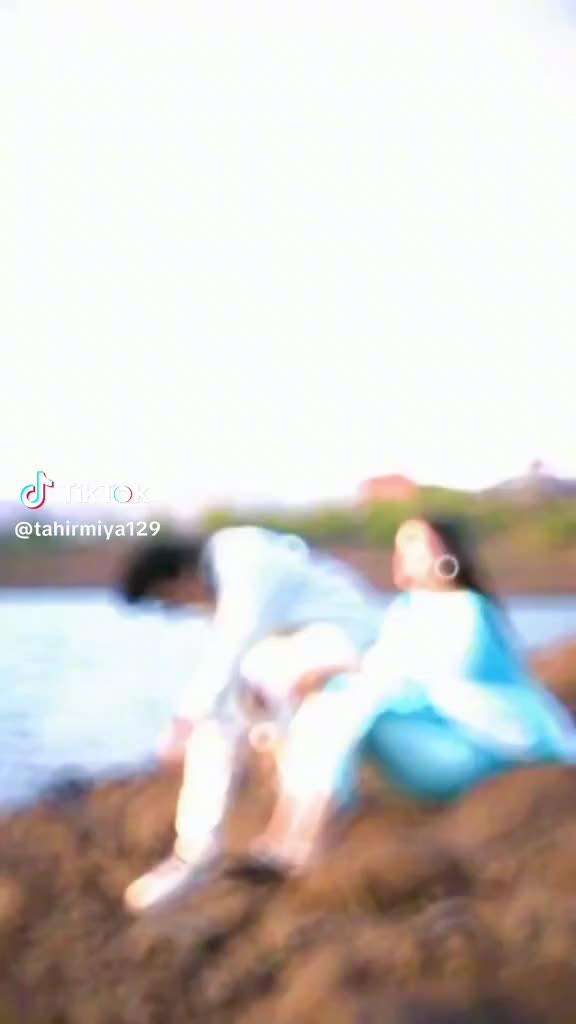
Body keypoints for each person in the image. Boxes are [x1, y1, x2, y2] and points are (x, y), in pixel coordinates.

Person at [249, 516, 576, 874]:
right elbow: (380, 673)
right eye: (399, 545)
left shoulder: (469, 610)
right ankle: (284, 836)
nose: (402, 553)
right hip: (422, 745)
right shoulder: (404, 611)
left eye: (414, 542)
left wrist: (353, 678)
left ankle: (307, 841)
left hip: (474, 748)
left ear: (446, 553)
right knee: (330, 702)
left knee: (350, 701)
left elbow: (439, 681)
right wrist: (334, 677)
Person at [118, 526, 383, 911]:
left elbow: (232, 645)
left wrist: (184, 720)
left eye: (169, 601)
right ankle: (196, 853)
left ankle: (205, 854)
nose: (178, 609)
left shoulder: (245, 562)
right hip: (306, 646)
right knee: (228, 714)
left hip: (349, 644)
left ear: (177, 578)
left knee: (223, 715)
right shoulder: (226, 571)